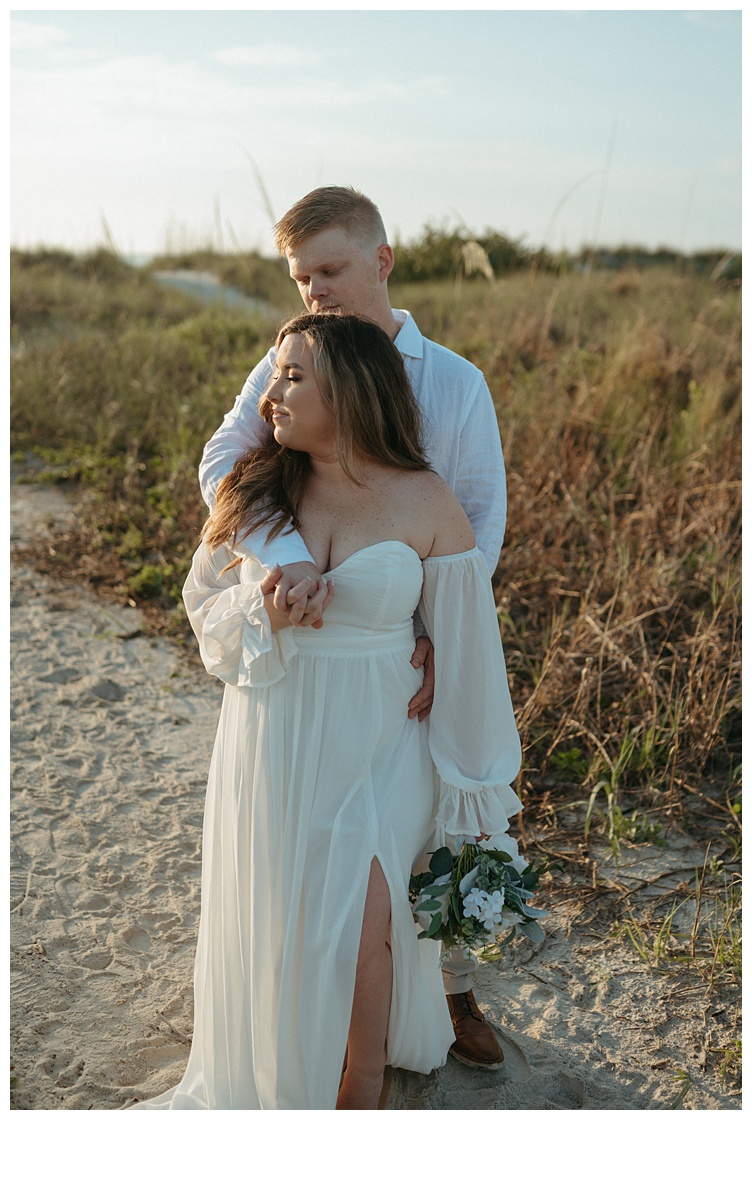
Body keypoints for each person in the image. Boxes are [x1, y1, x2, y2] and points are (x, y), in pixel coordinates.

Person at [133, 312, 522, 1110]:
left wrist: (475, 792)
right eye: (277, 375)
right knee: (291, 908)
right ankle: (293, 1049)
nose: (270, 394)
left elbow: (470, 655)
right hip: (277, 726)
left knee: (363, 909)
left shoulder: (427, 500)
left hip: (385, 735)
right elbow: (205, 613)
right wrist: (266, 615)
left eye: (293, 376)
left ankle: (361, 1082)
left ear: (349, 389)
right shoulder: (257, 492)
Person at [199, 186, 508, 1068]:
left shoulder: (453, 380)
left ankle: (448, 994)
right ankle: (292, 1012)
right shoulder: (287, 363)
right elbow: (224, 465)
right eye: (301, 277)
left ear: (382, 260)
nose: (316, 291)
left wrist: (438, 632)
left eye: (330, 269)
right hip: (307, 637)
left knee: (419, 828)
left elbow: (478, 520)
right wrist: (290, 556)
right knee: (318, 851)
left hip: (405, 630)